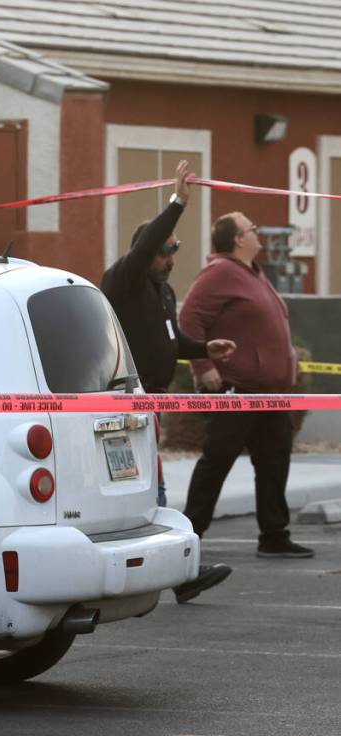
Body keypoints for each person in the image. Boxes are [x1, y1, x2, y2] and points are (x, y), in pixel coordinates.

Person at [102, 160, 236, 604]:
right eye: (164, 249)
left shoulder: (163, 290)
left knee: (148, 488)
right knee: (146, 489)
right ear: (145, 249)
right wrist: (178, 202)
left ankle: (175, 573)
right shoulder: (124, 279)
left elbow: (170, 339)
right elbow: (143, 254)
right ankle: (176, 574)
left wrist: (203, 349)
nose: (170, 258)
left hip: (152, 403)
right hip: (125, 402)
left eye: (175, 250)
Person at [179, 212, 313, 559]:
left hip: (270, 393)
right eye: (253, 228)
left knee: (274, 460)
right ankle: (188, 538)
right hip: (238, 390)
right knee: (217, 462)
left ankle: (274, 536)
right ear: (238, 239)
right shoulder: (220, 271)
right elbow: (190, 318)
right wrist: (203, 366)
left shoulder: (253, 272)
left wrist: (289, 356)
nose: (258, 232)